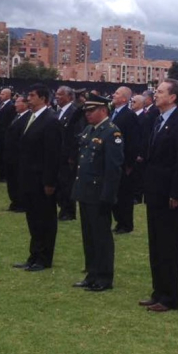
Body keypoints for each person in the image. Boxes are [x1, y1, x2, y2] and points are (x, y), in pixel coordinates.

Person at [138, 78, 178, 312]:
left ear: (173, 97)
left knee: (169, 245)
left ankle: (170, 297)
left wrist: (177, 193)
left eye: (161, 91)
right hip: (155, 190)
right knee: (156, 244)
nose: (156, 94)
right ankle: (158, 291)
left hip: (170, 193)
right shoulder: (157, 119)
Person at [71, 93, 124, 292]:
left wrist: (108, 196)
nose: (87, 114)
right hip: (85, 190)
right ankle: (91, 273)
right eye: (86, 110)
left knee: (101, 236)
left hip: (99, 192)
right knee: (88, 235)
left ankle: (104, 277)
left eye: (91, 110)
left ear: (103, 110)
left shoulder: (111, 132)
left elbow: (113, 168)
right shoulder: (89, 130)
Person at [12, 84, 62, 271]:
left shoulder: (50, 121)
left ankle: (43, 258)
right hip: (29, 178)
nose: (28, 99)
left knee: (45, 220)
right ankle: (34, 255)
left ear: (42, 98)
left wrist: (50, 182)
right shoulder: (30, 118)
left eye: (32, 95)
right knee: (33, 219)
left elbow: (53, 154)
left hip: (42, 180)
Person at [110, 86, 141, 234]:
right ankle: (118, 221)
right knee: (114, 194)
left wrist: (129, 163)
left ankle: (126, 224)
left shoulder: (129, 116)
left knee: (124, 195)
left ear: (124, 98)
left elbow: (133, 141)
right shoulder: (112, 113)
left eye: (116, 93)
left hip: (124, 162)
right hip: (112, 161)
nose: (113, 95)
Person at [55, 86, 82, 221]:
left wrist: (72, 156)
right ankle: (62, 208)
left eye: (61, 95)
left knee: (67, 184)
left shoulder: (74, 112)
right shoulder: (58, 111)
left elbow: (76, 136)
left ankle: (69, 211)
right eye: (57, 94)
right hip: (59, 154)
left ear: (70, 97)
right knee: (60, 183)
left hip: (68, 156)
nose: (57, 97)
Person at [4, 96, 30, 212]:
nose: (15, 105)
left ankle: (21, 203)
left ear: (25, 104)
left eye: (18, 102)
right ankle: (14, 201)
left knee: (19, 180)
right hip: (11, 155)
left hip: (19, 155)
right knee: (12, 180)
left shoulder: (28, 117)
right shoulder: (17, 116)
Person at [0, 88, 16, 182]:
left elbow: (9, 122)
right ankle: (0, 172)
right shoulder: (2, 105)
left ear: (8, 95)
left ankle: (3, 175)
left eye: (2, 94)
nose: (0, 95)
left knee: (3, 155)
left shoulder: (10, 106)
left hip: (4, 135)